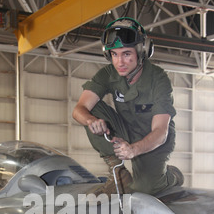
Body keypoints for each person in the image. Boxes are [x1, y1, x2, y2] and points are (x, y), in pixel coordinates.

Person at [73, 17, 184, 196]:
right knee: (90, 109)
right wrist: (91, 121)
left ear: (142, 51)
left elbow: (161, 132)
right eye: (114, 54)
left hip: (153, 139)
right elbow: (79, 109)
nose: (120, 62)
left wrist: (134, 149)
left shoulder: (158, 78)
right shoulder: (108, 74)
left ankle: (172, 176)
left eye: (126, 54)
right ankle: (118, 174)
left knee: (146, 189)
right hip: (126, 129)